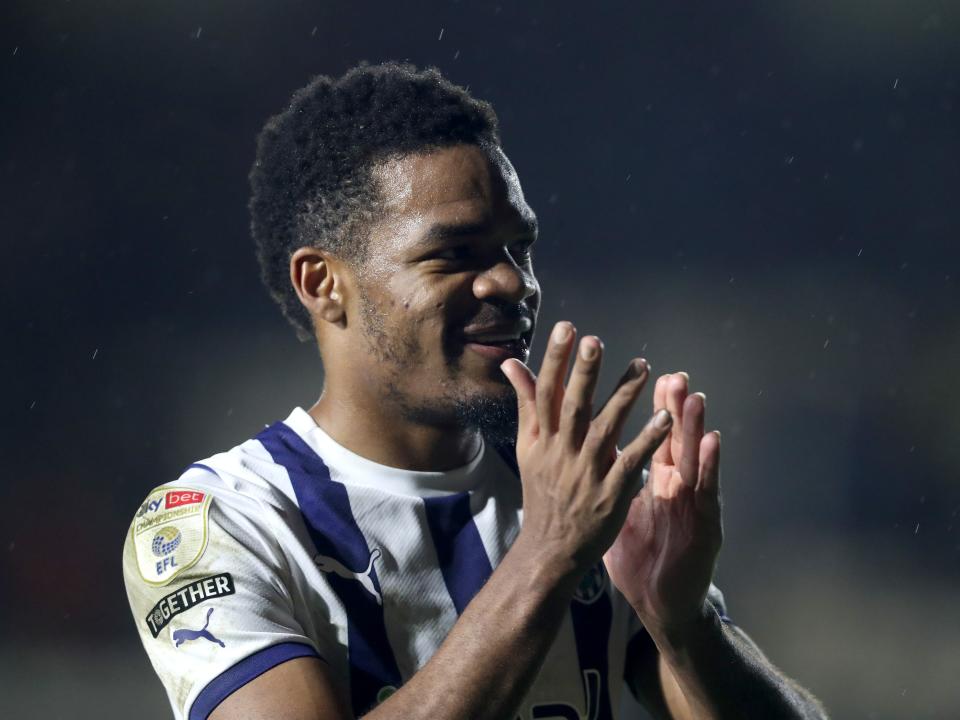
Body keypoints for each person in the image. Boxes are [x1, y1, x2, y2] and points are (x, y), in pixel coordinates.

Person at [122, 61, 827, 720]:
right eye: (455, 254)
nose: (512, 282)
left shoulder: (578, 488)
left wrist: (685, 623)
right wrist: (549, 553)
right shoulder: (222, 523)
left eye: (519, 248)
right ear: (323, 283)